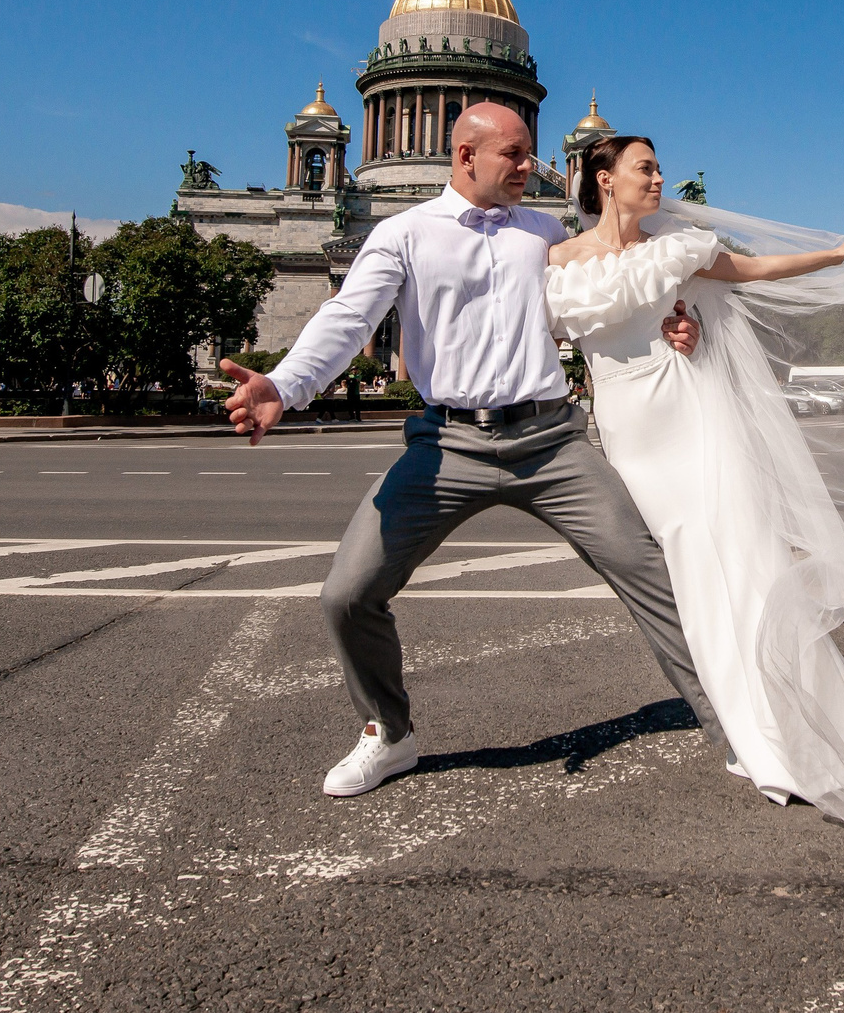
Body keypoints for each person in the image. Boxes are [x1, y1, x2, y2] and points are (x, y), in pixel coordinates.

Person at [220, 104, 719, 803]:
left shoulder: (547, 230)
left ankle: (731, 723)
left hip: (549, 441)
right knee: (347, 594)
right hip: (446, 443)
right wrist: (284, 384)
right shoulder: (403, 233)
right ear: (465, 157)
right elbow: (348, 318)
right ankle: (388, 733)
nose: (529, 167)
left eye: (531, 153)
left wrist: (676, 325)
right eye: (514, 154)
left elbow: (627, 284)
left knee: (653, 576)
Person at [543, 134, 844, 855]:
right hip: (627, 432)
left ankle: (781, 724)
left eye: (660, 168)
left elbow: (752, 270)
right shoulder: (558, 258)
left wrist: (834, 256)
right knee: (690, 578)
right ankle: (751, 714)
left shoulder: (677, 247)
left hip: (691, 418)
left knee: (740, 568)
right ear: (605, 178)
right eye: (645, 168)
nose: (659, 179)